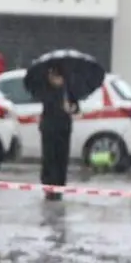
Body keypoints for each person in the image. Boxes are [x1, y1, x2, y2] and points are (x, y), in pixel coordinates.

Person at [38, 66, 78, 201]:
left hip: (64, 128)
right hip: (49, 128)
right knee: (50, 157)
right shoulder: (46, 90)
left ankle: (60, 186)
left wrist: (72, 108)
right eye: (53, 77)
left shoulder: (68, 89)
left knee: (62, 158)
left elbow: (76, 106)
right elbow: (48, 105)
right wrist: (61, 106)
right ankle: (49, 186)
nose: (56, 80)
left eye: (57, 77)